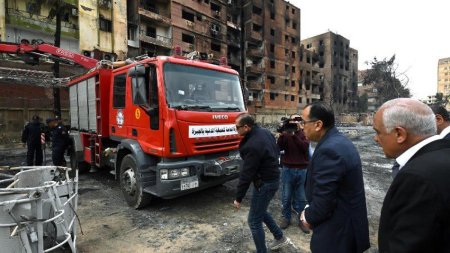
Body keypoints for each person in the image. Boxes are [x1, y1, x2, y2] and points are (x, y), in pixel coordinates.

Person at [373, 98, 450, 252]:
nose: (375, 139)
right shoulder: (443, 154)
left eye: (378, 132)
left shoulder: (416, 178)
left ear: (399, 134)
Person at [299, 102, 370, 253]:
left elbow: (325, 200)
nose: (301, 126)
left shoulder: (330, 150)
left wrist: (308, 216)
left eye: (303, 122)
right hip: (343, 228)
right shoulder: (338, 141)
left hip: (337, 234)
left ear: (318, 124)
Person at [232, 113, 290, 252]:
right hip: (273, 179)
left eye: (237, 127)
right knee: (260, 211)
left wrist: (238, 198)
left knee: (253, 221)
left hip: (265, 184)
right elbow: (276, 151)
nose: (235, 129)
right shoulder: (264, 132)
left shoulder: (252, 144)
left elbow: (247, 174)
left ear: (246, 127)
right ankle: (279, 237)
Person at [276, 114, 310, 232]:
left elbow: (304, 148)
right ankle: (286, 218)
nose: (295, 122)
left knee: (301, 197)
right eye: (293, 120)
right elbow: (278, 148)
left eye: (298, 119)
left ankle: (301, 220)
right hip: (288, 169)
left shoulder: (304, 133)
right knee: (286, 196)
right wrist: (281, 134)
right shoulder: (286, 134)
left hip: (302, 170)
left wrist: (295, 135)